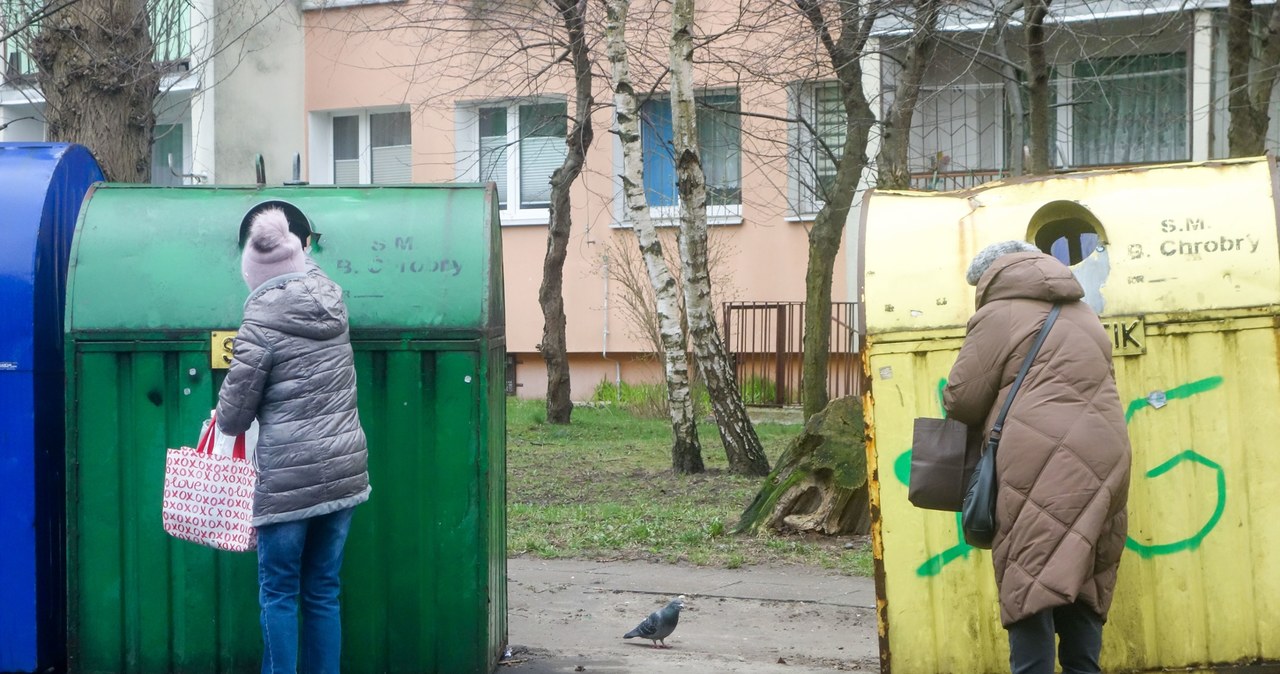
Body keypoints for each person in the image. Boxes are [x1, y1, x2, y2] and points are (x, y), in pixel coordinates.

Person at [943, 240, 1131, 674]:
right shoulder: (1086, 315)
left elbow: (962, 401)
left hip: (1035, 456)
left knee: (1029, 571)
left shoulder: (996, 315)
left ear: (992, 277)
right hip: (1108, 454)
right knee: (1084, 569)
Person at [216, 207, 371, 674]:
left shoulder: (259, 323)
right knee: (323, 588)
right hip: (344, 470)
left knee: (279, 592)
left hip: (287, 481)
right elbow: (305, 269)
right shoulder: (332, 300)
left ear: (254, 273)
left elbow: (234, 415)